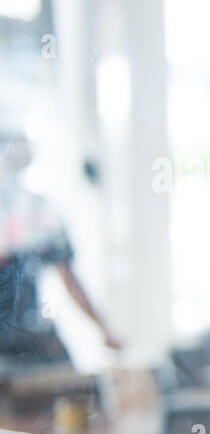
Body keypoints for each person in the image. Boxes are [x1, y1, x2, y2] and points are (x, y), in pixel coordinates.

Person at [0, 132, 122, 368]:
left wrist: (105, 328)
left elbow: (69, 279)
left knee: (68, 390)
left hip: (31, 336)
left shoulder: (39, 212)